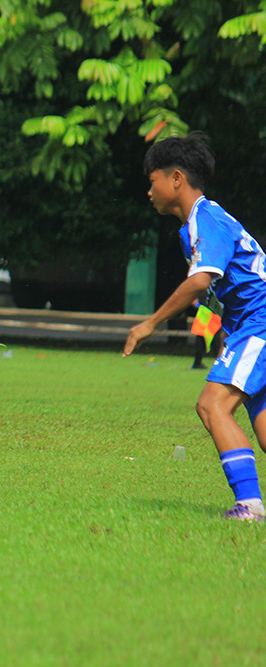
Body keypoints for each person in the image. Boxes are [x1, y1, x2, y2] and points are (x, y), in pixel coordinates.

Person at [124, 134, 266, 521]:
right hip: (249, 326)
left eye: (152, 181)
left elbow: (201, 281)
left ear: (176, 178)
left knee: (211, 405)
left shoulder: (207, 219)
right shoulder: (197, 226)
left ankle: (250, 506)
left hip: (260, 323)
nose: (149, 191)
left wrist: (149, 324)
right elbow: (221, 287)